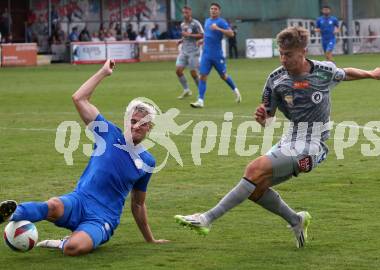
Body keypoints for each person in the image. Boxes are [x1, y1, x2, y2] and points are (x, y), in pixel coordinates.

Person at [175, 26, 380, 248]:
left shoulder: (323, 71)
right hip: (290, 139)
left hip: (313, 144)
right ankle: (296, 220)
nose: (283, 59)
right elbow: (268, 120)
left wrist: (371, 74)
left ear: (303, 52)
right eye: (280, 53)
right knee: (254, 187)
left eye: (288, 54)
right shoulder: (275, 80)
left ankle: (206, 218)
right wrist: (262, 118)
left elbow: (345, 73)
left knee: (252, 171)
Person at [0, 60, 169, 256]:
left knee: (74, 248)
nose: (136, 126)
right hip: (79, 201)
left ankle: (61, 243)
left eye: (142, 123)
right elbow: (79, 98)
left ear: (150, 128)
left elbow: (138, 204)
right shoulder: (107, 133)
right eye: (132, 121)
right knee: (53, 205)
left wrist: (151, 239)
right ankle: (12, 213)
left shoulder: (148, 162)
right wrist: (103, 73)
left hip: (103, 218)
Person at [190, 2, 241, 108]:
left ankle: (236, 91)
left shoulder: (221, 22)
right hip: (206, 55)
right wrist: (202, 41)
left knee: (223, 76)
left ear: (219, 11)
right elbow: (208, 35)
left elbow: (231, 34)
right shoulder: (207, 21)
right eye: (212, 8)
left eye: (215, 9)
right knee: (202, 76)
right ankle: (200, 100)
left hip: (217, 55)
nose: (213, 10)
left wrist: (218, 28)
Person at [175, 6, 204, 99]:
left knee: (193, 73)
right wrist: (181, 40)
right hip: (184, 51)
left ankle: (201, 92)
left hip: (193, 51)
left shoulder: (196, 23)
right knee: (178, 71)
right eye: (183, 13)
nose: (185, 14)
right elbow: (185, 36)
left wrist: (189, 35)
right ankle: (186, 90)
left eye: (186, 13)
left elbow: (202, 35)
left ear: (190, 13)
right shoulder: (182, 24)